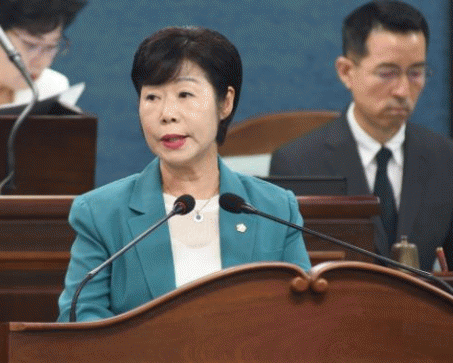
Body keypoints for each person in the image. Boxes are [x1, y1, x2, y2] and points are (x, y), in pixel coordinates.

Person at [58, 26, 311, 322]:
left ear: (225, 102)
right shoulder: (101, 213)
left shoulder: (275, 209)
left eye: (184, 94)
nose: (167, 114)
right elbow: (80, 321)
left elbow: (303, 319)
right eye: (152, 97)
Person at [270, 0, 453, 272]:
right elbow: (286, 273)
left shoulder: (448, 160)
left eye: (416, 73)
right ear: (346, 72)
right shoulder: (297, 163)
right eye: (387, 73)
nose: (402, 90)